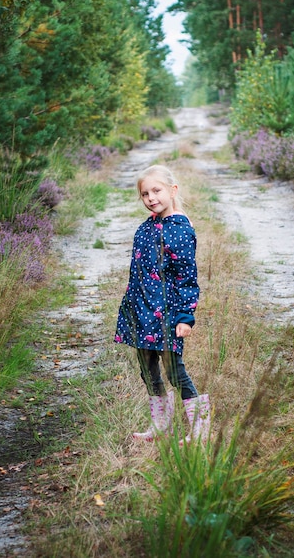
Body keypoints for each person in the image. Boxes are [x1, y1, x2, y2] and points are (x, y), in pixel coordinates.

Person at [114, 165, 210, 444]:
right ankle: (160, 424)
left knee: (173, 368)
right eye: (145, 193)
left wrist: (185, 316)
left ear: (172, 190)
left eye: (157, 190)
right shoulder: (147, 225)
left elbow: (187, 278)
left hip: (167, 312)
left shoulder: (179, 230)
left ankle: (199, 428)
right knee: (146, 367)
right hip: (141, 310)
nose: (151, 197)